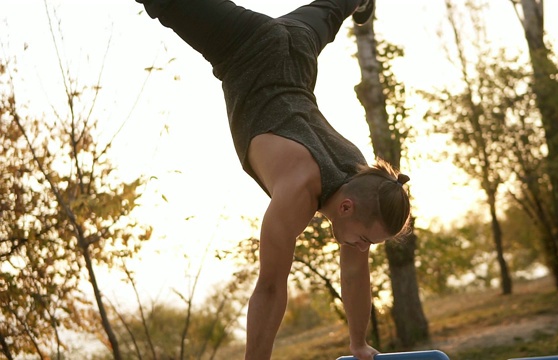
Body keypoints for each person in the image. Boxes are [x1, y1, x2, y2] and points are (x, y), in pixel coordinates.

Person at [135, 0, 411, 359]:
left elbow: (357, 277)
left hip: (297, 47)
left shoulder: (362, 178)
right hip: (243, 47)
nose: (362, 249)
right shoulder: (298, 192)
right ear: (346, 207)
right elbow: (269, 288)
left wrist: (358, 343)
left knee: (331, 9)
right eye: (363, 240)